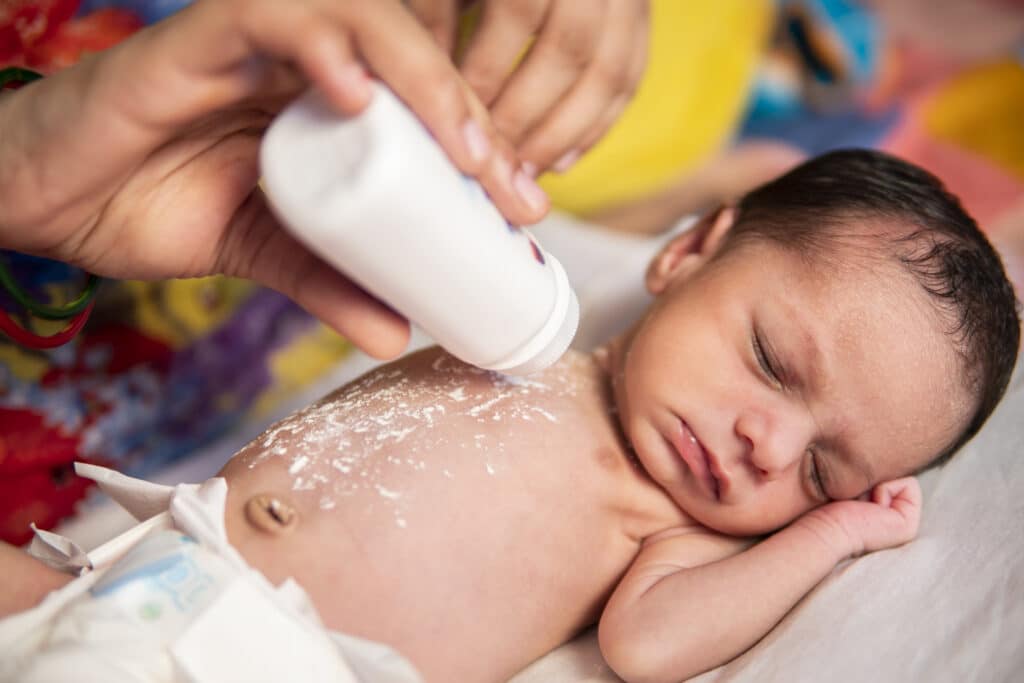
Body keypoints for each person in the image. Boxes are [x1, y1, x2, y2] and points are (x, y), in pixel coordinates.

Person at [2, 149, 1019, 682]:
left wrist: (840, 529)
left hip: (269, 658)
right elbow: (425, 215)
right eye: (769, 360)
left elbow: (652, 647)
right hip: (139, 564)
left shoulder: (659, 525)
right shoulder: (515, 320)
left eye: (819, 471)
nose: (771, 443)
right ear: (688, 252)